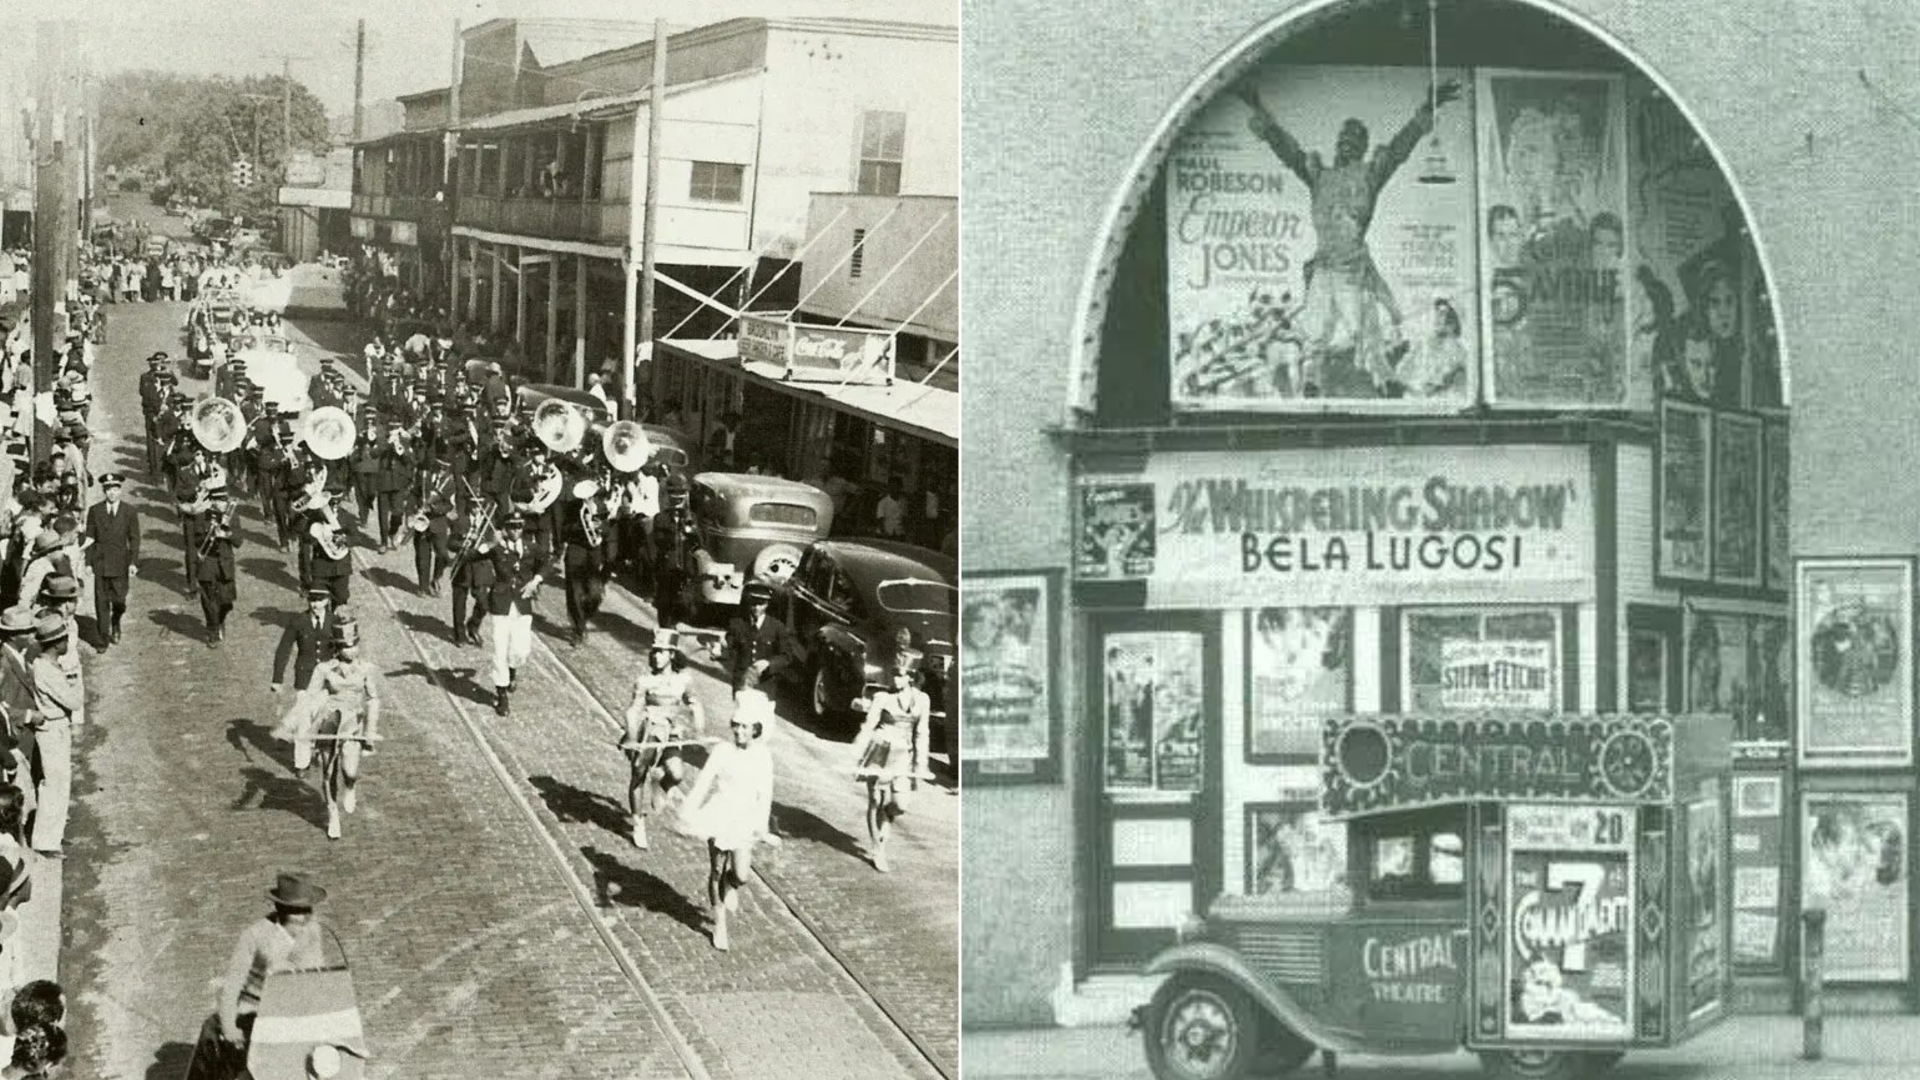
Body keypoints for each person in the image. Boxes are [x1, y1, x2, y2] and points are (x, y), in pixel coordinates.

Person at [1237, 77, 1461, 393]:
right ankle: (1312, 383)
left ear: (1362, 147)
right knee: (1317, 332)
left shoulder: (1369, 176)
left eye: (1354, 139)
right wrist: (1256, 107)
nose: (1346, 143)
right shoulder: (1319, 176)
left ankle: (1385, 381)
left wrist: (1425, 109)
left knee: (1365, 331)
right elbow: (1287, 151)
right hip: (1324, 267)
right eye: (1343, 137)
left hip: (1353, 271)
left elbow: (1398, 150)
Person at [677, 690, 775, 952]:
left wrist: (762, 826)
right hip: (719, 814)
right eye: (736, 726)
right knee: (717, 869)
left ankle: (731, 885)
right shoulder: (722, 751)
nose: (740, 732)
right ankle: (719, 922)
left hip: (744, 819)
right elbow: (703, 783)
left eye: (745, 727)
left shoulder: (762, 756)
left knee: (741, 874)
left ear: (755, 729)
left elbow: (765, 794)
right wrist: (689, 811)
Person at [206, 873, 328, 1066]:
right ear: (281, 910)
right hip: (257, 1013)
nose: (304, 918)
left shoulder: (314, 930)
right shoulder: (255, 936)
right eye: (297, 912)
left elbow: (319, 973)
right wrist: (230, 1028)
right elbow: (232, 985)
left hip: (299, 1012)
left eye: (308, 910)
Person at [289, 619, 382, 840]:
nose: (352, 650)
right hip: (329, 723)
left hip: (352, 725)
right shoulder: (323, 668)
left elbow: (373, 698)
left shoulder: (366, 669)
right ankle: (333, 815)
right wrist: (305, 727)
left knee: (350, 771)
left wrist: (370, 732)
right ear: (338, 648)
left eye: (355, 644)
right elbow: (310, 698)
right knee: (328, 771)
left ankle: (350, 788)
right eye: (347, 646)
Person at [621, 633, 705, 850]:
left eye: (662, 652)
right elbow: (633, 710)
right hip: (648, 733)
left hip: (671, 735)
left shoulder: (683, 680)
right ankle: (638, 822)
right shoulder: (645, 681)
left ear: (672, 654)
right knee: (638, 775)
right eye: (654, 651)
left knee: (677, 774)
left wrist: (699, 731)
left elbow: (695, 705)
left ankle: (661, 784)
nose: (656, 656)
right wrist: (631, 738)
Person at [850, 660, 931, 872]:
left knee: (900, 805)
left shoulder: (922, 700)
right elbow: (868, 725)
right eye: (893, 673)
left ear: (911, 677)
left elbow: (922, 733)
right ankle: (878, 849)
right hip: (880, 751)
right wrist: (857, 749)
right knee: (875, 800)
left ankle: (885, 818)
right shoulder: (882, 697)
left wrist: (921, 764)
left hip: (904, 756)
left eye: (901, 675)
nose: (895, 678)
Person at [486, 513, 550, 716]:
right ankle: (502, 694)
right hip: (501, 603)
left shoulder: (531, 547)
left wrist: (536, 581)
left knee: (521, 650)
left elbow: (548, 562)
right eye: (511, 527)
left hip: (522, 604)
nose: (515, 530)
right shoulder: (496, 547)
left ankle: (513, 668)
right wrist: (489, 543)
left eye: (519, 526)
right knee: (499, 649)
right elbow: (470, 555)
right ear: (505, 528)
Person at [25, 615, 78, 857]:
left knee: (58, 783)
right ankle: (46, 840)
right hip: (53, 729)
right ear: (58, 643)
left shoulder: (43, 665)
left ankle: (53, 836)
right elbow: (74, 700)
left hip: (55, 728)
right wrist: (74, 679)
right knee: (55, 785)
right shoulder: (48, 670)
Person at [83, 474, 139, 649]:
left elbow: (134, 538)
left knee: (119, 601)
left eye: (115, 490)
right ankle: (102, 639)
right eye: (108, 490)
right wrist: (88, 563)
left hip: (120, 563)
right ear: (104, 491)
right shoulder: (95, 510)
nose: (112, 494)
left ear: (120, 491)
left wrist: (133, 562)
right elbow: (89, 538)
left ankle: (116, 621)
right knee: (101, 601)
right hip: (100, 562)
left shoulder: (129, 511)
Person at [189, 486, 242, 647]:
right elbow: (196, 542)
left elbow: (239, 541)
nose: (223, 504)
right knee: (209, 599)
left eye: (224, 500)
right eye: (219, 501)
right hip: (208, 562)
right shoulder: (201, 517)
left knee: (226, 602)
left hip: (225, 563)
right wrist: (210, 531)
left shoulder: (232, 516)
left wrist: (227, 533)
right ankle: (212, 630)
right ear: (212, 502)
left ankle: (219, 621)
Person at [725, 583, 794, 694]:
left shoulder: (777, 627)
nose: (757, 608)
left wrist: (768, 663)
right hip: (741, 684)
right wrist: (718, 648)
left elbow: (787, 656)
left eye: (761, 604)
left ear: (767, 604)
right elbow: (729, 647)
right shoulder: (737, 623)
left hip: (765, 686)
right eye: (753, 604)